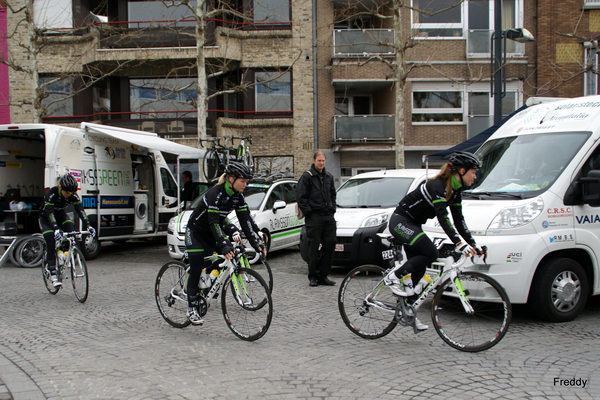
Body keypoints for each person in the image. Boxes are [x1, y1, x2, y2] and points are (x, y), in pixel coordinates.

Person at [383, 151, 484, 331]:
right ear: (461, 170)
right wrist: (459, 243)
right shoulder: (438, 186)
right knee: (430, 253)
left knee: (420, 270)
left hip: (413, 224)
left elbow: (459, 221)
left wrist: (473, 243)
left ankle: (408, 312)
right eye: (473, 172)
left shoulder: (454, 192)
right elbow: (443, 217)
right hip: (401, 221)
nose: (475, 176)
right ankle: (393, 277)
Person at [184, 162, 267, 325]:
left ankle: (207, 281)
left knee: (230, 254)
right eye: (242, 180)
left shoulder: (238, 197)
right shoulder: (215, 193)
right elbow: (214, 222)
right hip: (195, 231)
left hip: (210, 231)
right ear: (231, 179)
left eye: (246, 181)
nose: (245, 184)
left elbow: (245, 220)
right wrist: (223, 244)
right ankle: (191, 308)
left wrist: (255, 242)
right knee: (197, 263)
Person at [39, 173, 96, 287]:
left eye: (72, 193)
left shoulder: (72, 195)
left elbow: (80, 210)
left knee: (72, 232)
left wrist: (88, 225)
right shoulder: (51, 194)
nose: (69, 195)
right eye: (68, 192)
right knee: (51, 241)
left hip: (61, 217)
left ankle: (62, 255)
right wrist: (55, 228)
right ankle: (52, 272)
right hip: (46, 219)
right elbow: (49, 213)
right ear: (61, 188)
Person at [296, 151, 337, 287]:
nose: (321, 163)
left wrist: (332, 209)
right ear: (314, 160)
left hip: (328, 216)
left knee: (329, 245)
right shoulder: (307, 177)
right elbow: (301, 197)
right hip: (314, 216)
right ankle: (313, 276)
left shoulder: (329, 177)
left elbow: (333, 194)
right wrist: (310, 213)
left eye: (323, 161)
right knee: (313, 246)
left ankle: (323, 275)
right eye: (319, 160)